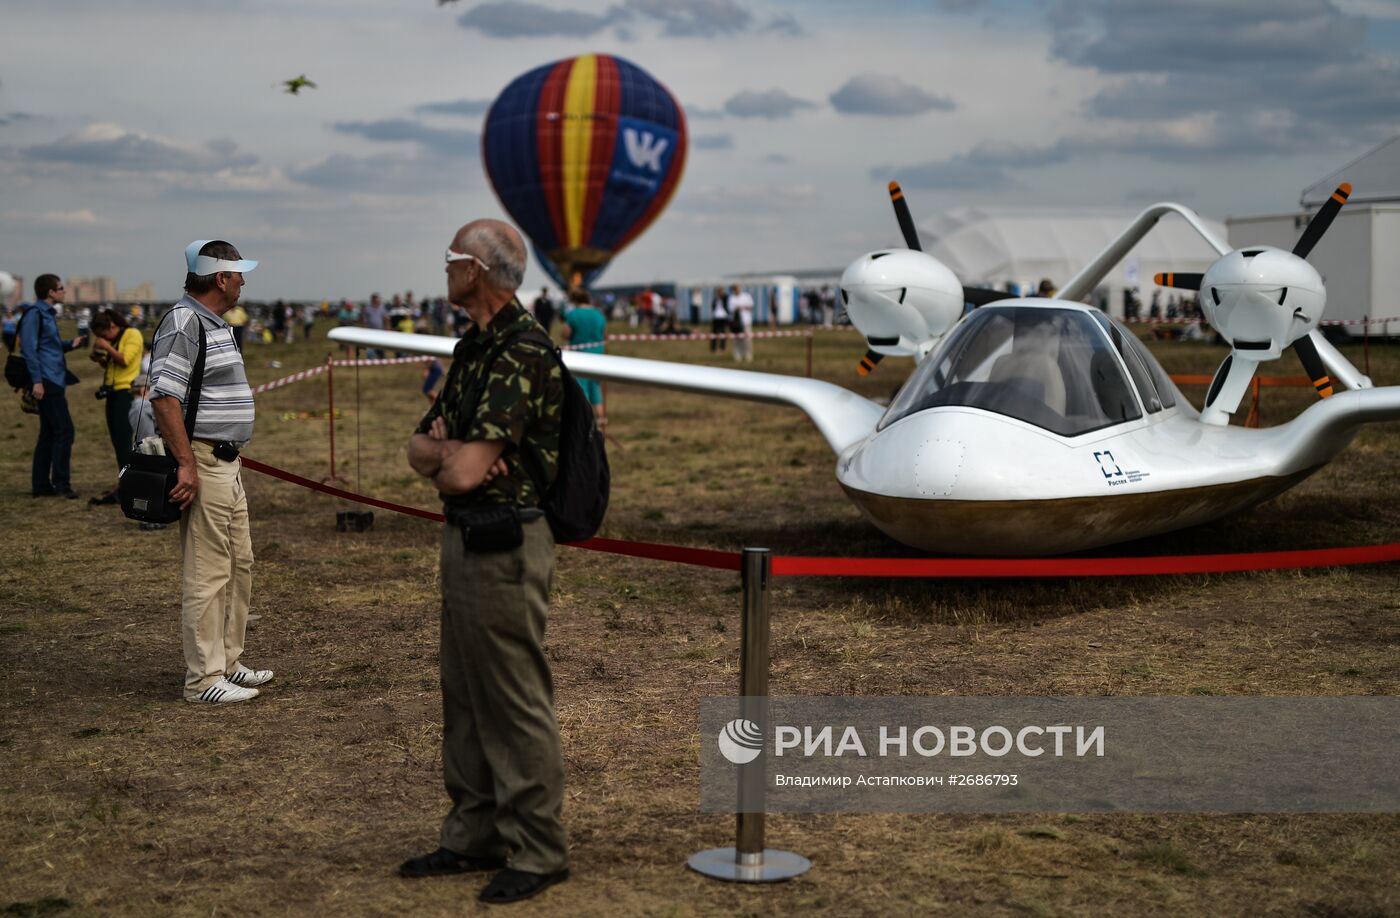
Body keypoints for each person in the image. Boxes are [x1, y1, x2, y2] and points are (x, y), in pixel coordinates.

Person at [400, 219, 570, 905]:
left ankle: (538, 849)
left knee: (514, 701)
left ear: (475, 270)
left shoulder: (521, 352)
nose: (442, 269)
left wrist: (447, 457)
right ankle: (473, 835)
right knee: (465, 696)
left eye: (450, 259)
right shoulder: (473, 347)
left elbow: (461, 469)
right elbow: (421, 448)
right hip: (466, 536)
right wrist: (446, 456)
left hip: (506, 541)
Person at [149, 239, 271, 705]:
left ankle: (228, 662)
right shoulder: (184, 322)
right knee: (207, 571)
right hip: (203, 460)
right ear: (220, 278)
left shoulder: (214, 323)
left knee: (239, 564)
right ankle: (202, 680)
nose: (243, 281)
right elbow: (164, 395)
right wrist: (186, 463)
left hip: (227, 462)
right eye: (239, 273)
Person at [20, 274, 86, 499]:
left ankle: (41, 486)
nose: (64, 291)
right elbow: (29, 350)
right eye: (60, 288)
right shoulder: (35, 314)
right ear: (50, 292)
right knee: (64, 431)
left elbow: (49, 347)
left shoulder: (47, 314)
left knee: (48, 433)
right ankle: (61, 483)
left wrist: (70, 344)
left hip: (54, 378)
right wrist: (36, 381)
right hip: (47, 381)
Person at [87, 309, 144, 506]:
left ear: (112, 325)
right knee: (117, 443)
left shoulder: (132, 335)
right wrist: (100, 358)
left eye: (104, 335)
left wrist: (106, 347)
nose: (103, 339)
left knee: (124, 445)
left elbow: (125, 360)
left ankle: (129, 486)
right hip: (111, 392)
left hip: (125, 393)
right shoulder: (115, 338)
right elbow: (113, 364)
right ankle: (125, 482)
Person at [562, 289, 608, 429]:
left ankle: (585, 418)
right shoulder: (599, 314)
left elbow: (566, 334)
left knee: (581, 386)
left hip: (579, 355)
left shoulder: (572, 314)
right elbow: (603, 334)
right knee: (595, 385)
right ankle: (601, 417)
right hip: (597, 353)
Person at [730, 284, 755, 363]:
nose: (737, 290)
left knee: (747, 340)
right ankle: (738, 355)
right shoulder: (731, 298)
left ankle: (748, 355)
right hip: (736, 323)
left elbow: (751, 307)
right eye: (735, 288)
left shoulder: (746, 296)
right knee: (737, 340)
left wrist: (741, 307)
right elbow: (731, 310)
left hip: (746, 321)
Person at [709, 286, 729, 352]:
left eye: (721, 291)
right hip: (716, 317)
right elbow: (712, 307)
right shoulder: (715, 299)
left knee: (723, 333)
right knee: (714, 333)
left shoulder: (725, 298)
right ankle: (714, 348)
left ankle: (722, 347)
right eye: (718, 291)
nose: (720, 293)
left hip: (723, 317)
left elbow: (727, 305)